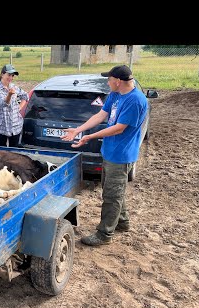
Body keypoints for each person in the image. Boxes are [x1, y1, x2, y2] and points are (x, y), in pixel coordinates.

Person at [61, 64, 148, 246]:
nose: (107, 83)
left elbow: (118, 129)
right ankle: (122, 222)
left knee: (112, 195)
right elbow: (100, 115)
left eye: (109, 80)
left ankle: (104, 234)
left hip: (121, 156)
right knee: (114, 190)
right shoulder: (116, 95)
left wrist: (89, 137)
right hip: (110, 152)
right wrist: (79, 130)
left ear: (117, 81)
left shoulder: (135, 100)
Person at [0, 64, 29, 147]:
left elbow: (25, 96)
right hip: (1, 126)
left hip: (15, 125)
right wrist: (10, 94)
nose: (11, 78)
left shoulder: (14, 87)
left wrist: (20, 107)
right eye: (9, 75)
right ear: (2, 74)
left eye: (12, 75)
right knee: (1, 151)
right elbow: (4, 104)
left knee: (14, 152)